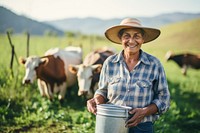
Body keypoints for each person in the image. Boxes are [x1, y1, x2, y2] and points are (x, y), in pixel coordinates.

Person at [87, 18, 170, 133]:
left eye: (136, 36)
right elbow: (103, 91)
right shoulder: (110, 63)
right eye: (126, 36)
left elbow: (164, 98)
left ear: (142, 40)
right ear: (121, 39)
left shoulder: (154, 64)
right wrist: (96, 100)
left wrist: (145, 111)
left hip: (142, 127)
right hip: (111, 123)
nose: (131, 41)